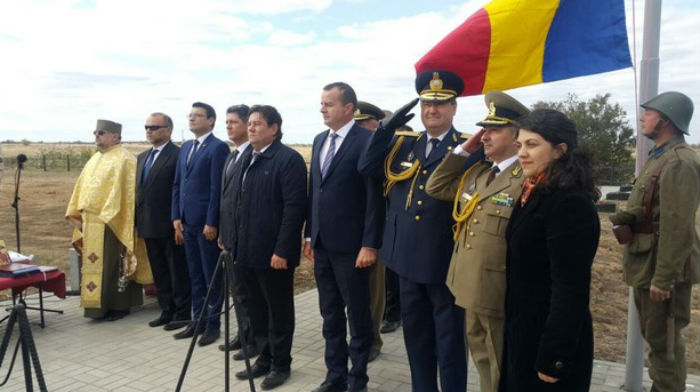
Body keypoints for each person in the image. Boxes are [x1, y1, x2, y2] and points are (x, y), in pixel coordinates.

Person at [358, 70, 473, 392]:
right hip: (405, 258)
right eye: (426, 104)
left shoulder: (466, 147)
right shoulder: (402, 144)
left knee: (449, 341)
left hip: (443, 258)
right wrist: (386, 126)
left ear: (453, 108)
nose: (432, 110)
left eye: (441, 104)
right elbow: (366, 168)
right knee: (417, 337)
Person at [426, 91, 529, 392]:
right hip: (468, 285)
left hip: (498, 289)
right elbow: (436, 187)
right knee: (482, 359)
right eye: (484, 129)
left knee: (499, 362)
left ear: (517, 135)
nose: (485, 136)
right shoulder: (479, 175)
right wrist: (462, 150)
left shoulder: (524, 178)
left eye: (495, 129)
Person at [500, 108, 600, 391]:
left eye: (532, 145)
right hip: (525, 331)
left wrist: (554, 356)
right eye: (519, 144)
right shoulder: (536, 190)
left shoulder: (570, 204)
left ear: (559, 150)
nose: (522, 153)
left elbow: (571, 289)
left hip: (548, 340)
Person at [609, 91, 699, 392]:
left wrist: (665, 278)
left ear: (664, 120)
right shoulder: (659, 155)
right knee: (656, 336)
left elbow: (678, 226)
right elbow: (656, 206)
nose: (641, 118)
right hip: (647, 261)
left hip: (662, 268)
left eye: (647, 114)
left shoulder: (678, 162)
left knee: (666, 344)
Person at [304, 82, 384, 392]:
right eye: (321, 103)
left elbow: (373, 198)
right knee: (330, 314)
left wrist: (369, 243)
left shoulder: (367, 141)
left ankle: (357, 379)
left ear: (348, 108)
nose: (322, 108)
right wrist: (310, 235)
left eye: (329, 103)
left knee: (358, 316)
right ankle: (334, 376)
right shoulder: (319, 139)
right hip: (323, 245)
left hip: (353, 247)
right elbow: (316, 192)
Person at [222, 105, 307, 390]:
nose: (251, 128)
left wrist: (282, 251)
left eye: (258, 124)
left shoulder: (288, 159)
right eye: (250, 124)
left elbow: (294, 210)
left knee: (278, 311)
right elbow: (234, 202)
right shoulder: (247, 158)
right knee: (256, 309)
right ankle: (264, 357)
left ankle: (281, 364)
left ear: (274, 128)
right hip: (244, 250)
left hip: (273, 254)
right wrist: (229, 238)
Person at [66, 119, 151, 321]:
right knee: (95, 266)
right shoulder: (95, 158)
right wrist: (78, 212)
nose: (97, 136)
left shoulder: (125, 159)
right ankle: (97, 307)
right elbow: (82, 188)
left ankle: (119, 306)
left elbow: (128, 194)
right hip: (91, 222)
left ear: (115, 136)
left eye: (101, 132)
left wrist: (110, 215)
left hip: (113, 222)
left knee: (114, 264)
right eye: (95, 132)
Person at [171, 102, 230, 346]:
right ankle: (197, 321)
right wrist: (176, 217)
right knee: (194, 275)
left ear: (211, 120)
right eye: (190, 115)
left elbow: (218, 188)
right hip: (186, 223)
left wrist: (211, 221)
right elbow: (177, 184)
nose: (192, 119)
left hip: (205, 225)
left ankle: (213, 325)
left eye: (198, 115)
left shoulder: (217, 148)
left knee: (210, 278)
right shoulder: (185, 147)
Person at [136, 112, 191, 330]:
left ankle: (182, 313)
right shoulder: (142, 157)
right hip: (148, 225)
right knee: (159, 272)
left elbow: (180, 191)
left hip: (170, 225)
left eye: (154, 127)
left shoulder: (178, 155)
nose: (149, 131)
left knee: (177, 272)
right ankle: (166, 310)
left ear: (167, 130)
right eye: (146, 127)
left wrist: (178, 221)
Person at [218, 104, 258, 360]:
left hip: (246, 239)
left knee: (249, 292)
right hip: (230, 237)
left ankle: (253, 339)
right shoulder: (232, 156)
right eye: (227, 122)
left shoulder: (251, 156)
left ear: (246, 124)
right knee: (238, 291)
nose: (229, 126)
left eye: (234, 121)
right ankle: (243, 334)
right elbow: (226, 200)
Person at [354, 99, 386, 361]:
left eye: (366, 123)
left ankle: (372, 340)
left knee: (373, 292)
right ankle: (357, 336)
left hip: (376, 233)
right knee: (353, 293)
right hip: (349, 232)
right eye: (357, 124)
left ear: (377, 125)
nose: (362, 129)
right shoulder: (351, 149)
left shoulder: (386, 151)